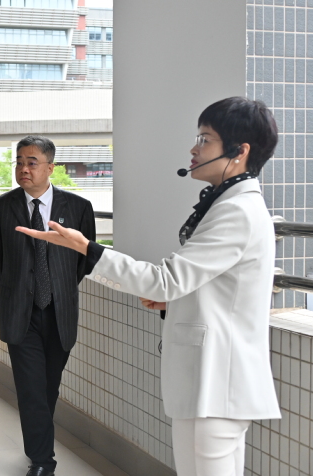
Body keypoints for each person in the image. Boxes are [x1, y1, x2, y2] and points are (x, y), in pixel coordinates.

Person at [16, 97, 281, 476]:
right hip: (211, 384)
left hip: (217, 383)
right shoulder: (231, 204)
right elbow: (215, 285)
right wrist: (175, 303)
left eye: (205, 139)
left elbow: (166, 279)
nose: (193, 149)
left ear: (240, 152)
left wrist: (86, 248)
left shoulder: (237, 210)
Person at [0, 136, 96, 476]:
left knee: (48, 386)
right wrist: (20, 289)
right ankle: (43, 460)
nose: (23, 168)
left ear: (51, 168)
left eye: (31, 162)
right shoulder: (2, 206)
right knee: (31, 388)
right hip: (21, 312)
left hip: (60, 312)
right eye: (19, 162)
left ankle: (39, 443)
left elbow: (84, 260)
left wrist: (57, 287)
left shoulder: (78, 207)